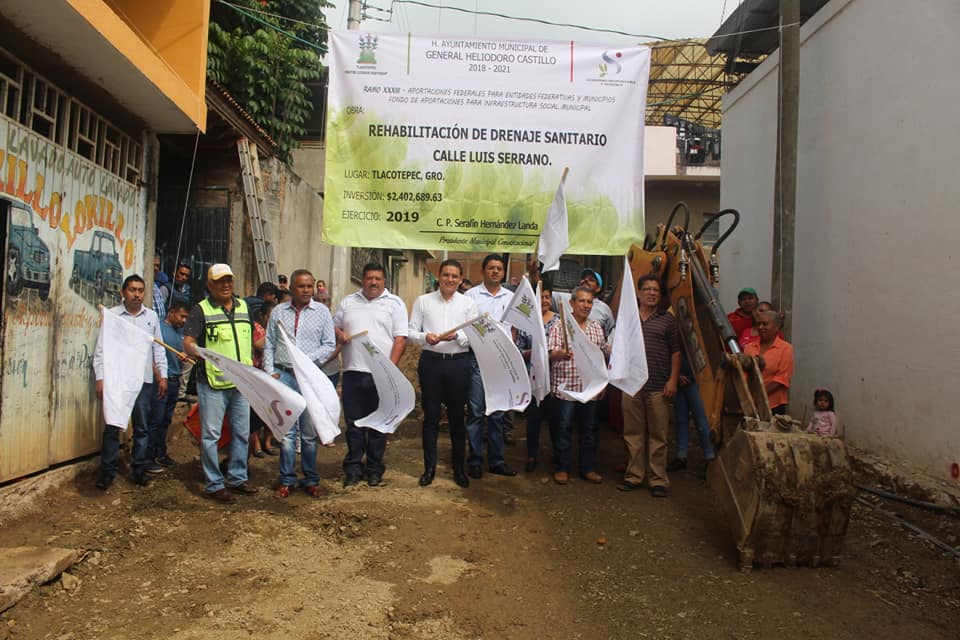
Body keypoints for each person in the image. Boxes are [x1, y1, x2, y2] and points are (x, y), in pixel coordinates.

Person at [182, 263, 258, 503]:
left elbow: (255, 339)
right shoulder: (200, 310)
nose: (225, 285)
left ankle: (237, 477)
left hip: (241, 384)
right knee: (211, 435)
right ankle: (214, 483)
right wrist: (194, 350)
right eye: (219, 281)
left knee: (242, 433)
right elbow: (188, 341)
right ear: (210, 285)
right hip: (212, 383)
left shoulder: (244, 307)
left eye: (228, 280)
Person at [263, 269, 337, 498]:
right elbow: (269, 344)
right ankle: (286, 480)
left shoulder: (322, 312)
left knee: (308, 432)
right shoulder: (278, 312)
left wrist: (306, 361)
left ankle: (311, 479)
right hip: (283, 375)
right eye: (301, 286)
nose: (306, 290)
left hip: (309, 377)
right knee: (286, 431)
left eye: (309, 286)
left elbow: (329, 344)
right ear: (292, 288)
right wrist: (270, 372)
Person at [334, 263, 408, 487]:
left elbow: (400, 339)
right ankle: (353, 469)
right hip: (353, 372)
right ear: (363, 280)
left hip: (381, 374)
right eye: (369, 278)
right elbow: (334, 326)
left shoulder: (395, 304)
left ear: (384, 281)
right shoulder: (348, 302)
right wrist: (341, 334)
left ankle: (375, 468)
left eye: (378, 278)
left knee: (379, 424)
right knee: (354, 424)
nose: (373, 282)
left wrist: (390, 370)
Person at [93, 275, 168, 490]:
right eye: (133, 290)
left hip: (143, 381)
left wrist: (162, 375)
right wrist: (100, 378)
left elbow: (158, 348)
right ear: (123, 292)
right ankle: (107, 472)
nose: (137, 295)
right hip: (118, 381)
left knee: (142, 428)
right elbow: (101, 349)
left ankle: (138, 470)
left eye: (140, 290)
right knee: (113, 426)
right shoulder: (113, 316)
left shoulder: (151, 318)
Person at [409, 259, 477, 488]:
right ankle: (429, 469)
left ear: (460, 279)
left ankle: (459, 470)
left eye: (454, 276)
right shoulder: (423, 301)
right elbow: (410, 331)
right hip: (431, 363)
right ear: (439, 276)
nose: (450, 279)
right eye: (446, 275)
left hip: (458, 364)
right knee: (431, 417)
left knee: (458, 418)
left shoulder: (468, 304)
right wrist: (424, 337)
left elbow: (474, 337)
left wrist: (458, 337)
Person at [618, 274, 681, 498]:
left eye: (656, 290)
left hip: (658, 387)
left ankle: (658, 480)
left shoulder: (668, 321)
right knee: (633, 433)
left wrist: (672, 380)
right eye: (647, 289)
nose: (652, 293)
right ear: (638, 292)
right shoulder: (628, 319)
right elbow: (618, 349)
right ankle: (634, 475)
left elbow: (676, 352)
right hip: (632, 386)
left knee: (659, 435)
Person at [547, 286, 607, 485]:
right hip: (566, 388)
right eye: (582, 301)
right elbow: (549, 354)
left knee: (589, 429)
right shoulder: (560, 325)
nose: (586, 305)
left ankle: (587, 468)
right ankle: (562, 468)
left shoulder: (596, 327)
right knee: (563, 428)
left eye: (589, 302)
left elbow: (601, 357)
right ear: (572, 303)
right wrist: (560, 354)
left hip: (590, 389)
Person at [463, 254, 517, 478]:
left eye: (499, 268)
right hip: (477, 359)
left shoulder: (511, 297)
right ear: (483, 271)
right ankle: (475, 460)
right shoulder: (470, 297)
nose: (495, 271)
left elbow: (514, 329)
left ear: (503, 273)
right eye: (491, 268)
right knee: (476, 412)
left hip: (502, 362)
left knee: (498, 412)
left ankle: (497, 460)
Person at [147, 301, 191, 469]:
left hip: (175, 381)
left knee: (166, 420)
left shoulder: (180, 333)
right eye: (182, 316)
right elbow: (153, 355)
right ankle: (149, 458)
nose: (184, 320)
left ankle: (161, 453)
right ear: (171, 313)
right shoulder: (160, 329)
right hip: (162, 382)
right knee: (156, 420)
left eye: (186, 317)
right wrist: (159, 377)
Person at [522, 282, 558, 472]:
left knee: (555, 419)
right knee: (534, 418)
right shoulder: (525, 320)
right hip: (532, 378)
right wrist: (533, 352)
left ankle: (557, 455)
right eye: (540, 296)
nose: (543, 300)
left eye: (547, 296)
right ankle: (531, 455)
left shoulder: (559, 321)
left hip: (556, 378)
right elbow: (518, 349)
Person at [666, 353, 716, 473]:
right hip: (678, 379)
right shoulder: (674, 336)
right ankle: (681, 456)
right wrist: (676, 376)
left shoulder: (694, 334)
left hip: (697, 380)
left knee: (701, 421)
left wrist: (694, 377)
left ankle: (710, 458)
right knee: (681, 419)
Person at [743, 311, 795, 415]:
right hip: (750, 404)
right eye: (759, 324)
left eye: (765, 324)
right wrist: (748, 397)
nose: (761, 327)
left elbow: (782, 379)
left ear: (776, 327)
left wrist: (759, 395)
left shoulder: (786, 349)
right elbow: (743, 374)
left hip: (774, 405)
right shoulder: (749, 347)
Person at [249, 301, 277, 458]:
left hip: (271, 375)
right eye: (269, 317)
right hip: (255, 374)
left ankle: (267, 441)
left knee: (270, 410)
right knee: (255, 411)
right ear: (262, 316)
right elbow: (259, 344)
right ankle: (256, 443)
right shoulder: (255, 327)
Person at [553, 268, 615, 339]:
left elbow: (611, 333)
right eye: (583, 278)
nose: (586, 280)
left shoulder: (604, 309)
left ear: (598, 288)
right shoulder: (563, 298)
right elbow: (543, 294)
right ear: (572, 302)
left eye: (591, 280)